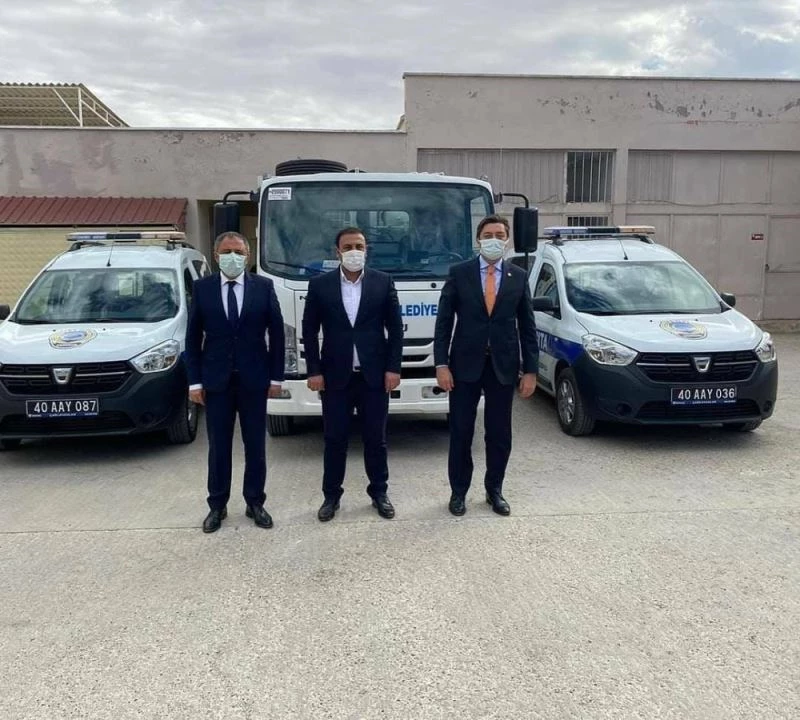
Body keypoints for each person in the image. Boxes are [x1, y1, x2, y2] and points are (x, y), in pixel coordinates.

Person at [433, 214, 538, 517]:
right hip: (464, 366)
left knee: (499, 434)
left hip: (503, 366)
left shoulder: (518, 276)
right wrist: (441, 364)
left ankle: (494, 491)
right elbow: (443, 323)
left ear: (507, 240)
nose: (494, 240)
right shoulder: (459, 273)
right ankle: (458, 492)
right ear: (478, 240)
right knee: (461, 432)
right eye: (488, 235)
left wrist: (530, 370)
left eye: (499, 235)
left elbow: (527, 326)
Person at [185, 231, 285, 533]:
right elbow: (192, 338)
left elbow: (277, 335)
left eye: (239, 252)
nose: (233, 257)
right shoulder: (203, 289)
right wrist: (194, 383)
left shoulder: (263, 287)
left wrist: (276, 377)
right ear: (216, 256)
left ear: (248, 256)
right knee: (218, 447)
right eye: (227, 252)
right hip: (216, 382)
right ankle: (217, 505)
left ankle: (255, 502)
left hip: (254, 380)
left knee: (255, 446)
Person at [302, 227, 403, 522]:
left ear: (366, 249)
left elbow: (395, 329)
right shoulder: (320, 285)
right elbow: (309, 331)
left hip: (374, 377)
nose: (354, 251)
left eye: (359, 246)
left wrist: (393, 368)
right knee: (335, 439)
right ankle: (331, 497)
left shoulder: (383, 282)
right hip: (335, 378)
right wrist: (314, 371)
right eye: (348, 247)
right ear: (338, 252)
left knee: (376, 440)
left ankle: (379, 493)